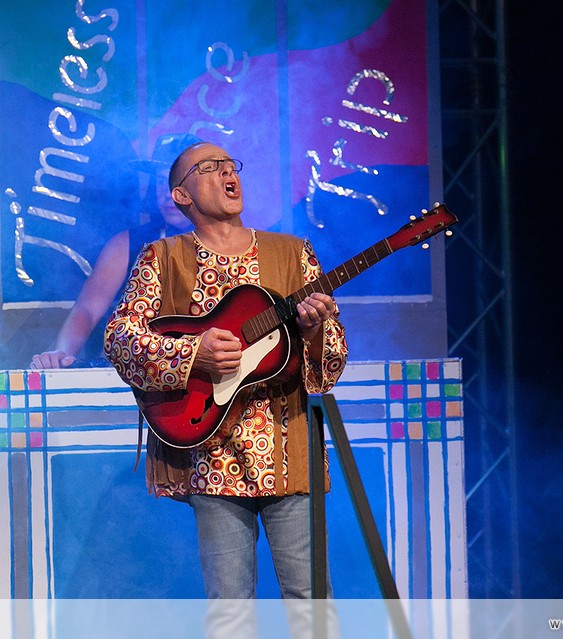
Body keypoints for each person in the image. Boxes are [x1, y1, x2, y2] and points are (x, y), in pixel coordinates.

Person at [104, 142, 347, 637]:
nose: (226, 173)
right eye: (209, 168)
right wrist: (193, 353)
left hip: (289, 447)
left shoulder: (292, 253)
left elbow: (331, 365)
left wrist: (316, 329)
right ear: (181, 194)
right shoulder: (162, 258)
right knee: (230, 610)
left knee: (311, 602)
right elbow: (119, 338)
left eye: (229, 165)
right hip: (211, 454)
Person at [30, 133, 199, 369]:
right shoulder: (128, 244)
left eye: (177, 181)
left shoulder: (232, 243)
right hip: (136, 375)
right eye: (161, 182)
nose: (168, 192)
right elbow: (87, 310)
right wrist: (63, 354)